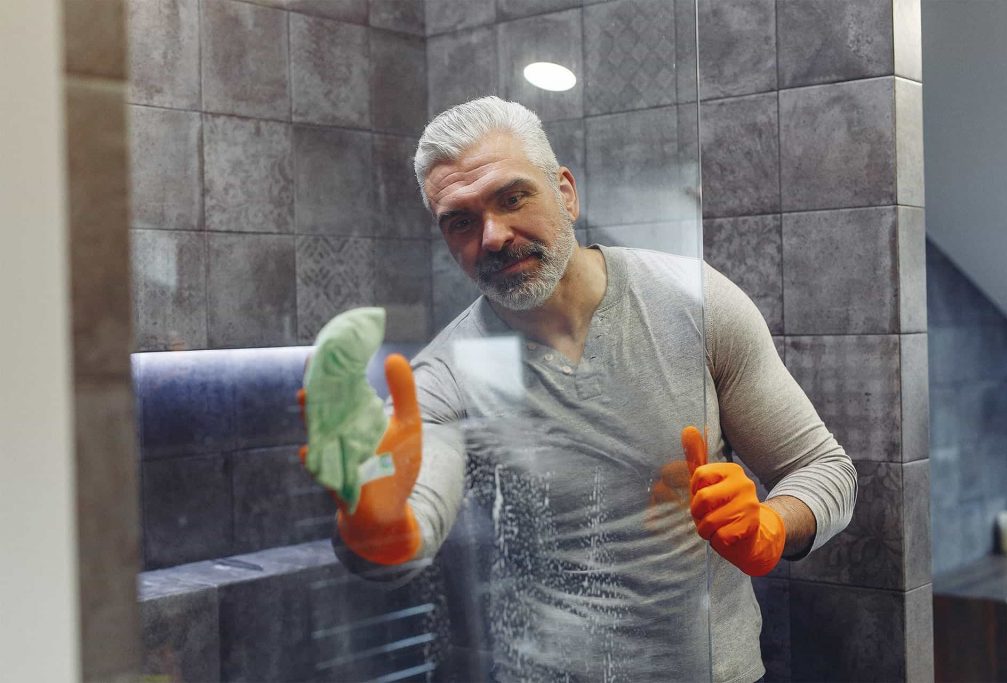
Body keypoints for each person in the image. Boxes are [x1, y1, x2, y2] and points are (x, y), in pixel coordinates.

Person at [300, 96, 857, 682]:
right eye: (460, 221)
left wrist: (771, 527)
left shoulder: (693, 303)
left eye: (513, 198)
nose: (493, 236)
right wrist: (376, 531)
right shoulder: (444, 377)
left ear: (565, 192)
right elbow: (408, 535)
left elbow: (823, 468)